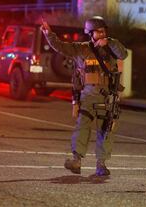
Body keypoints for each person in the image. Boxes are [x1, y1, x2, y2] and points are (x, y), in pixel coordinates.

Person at [41, 16, 128, 176]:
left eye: (104, 31)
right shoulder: (81, 49)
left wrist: (109, 42)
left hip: (107, 96)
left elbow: (123, 54)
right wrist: (49, 34)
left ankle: (101, 164)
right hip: (87, 96)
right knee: (82, 127)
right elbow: (60, 47)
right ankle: (77, 160)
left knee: (106, 130)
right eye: (98, 32)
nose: (102, 34)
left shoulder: (111, 48)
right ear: (90, 33)